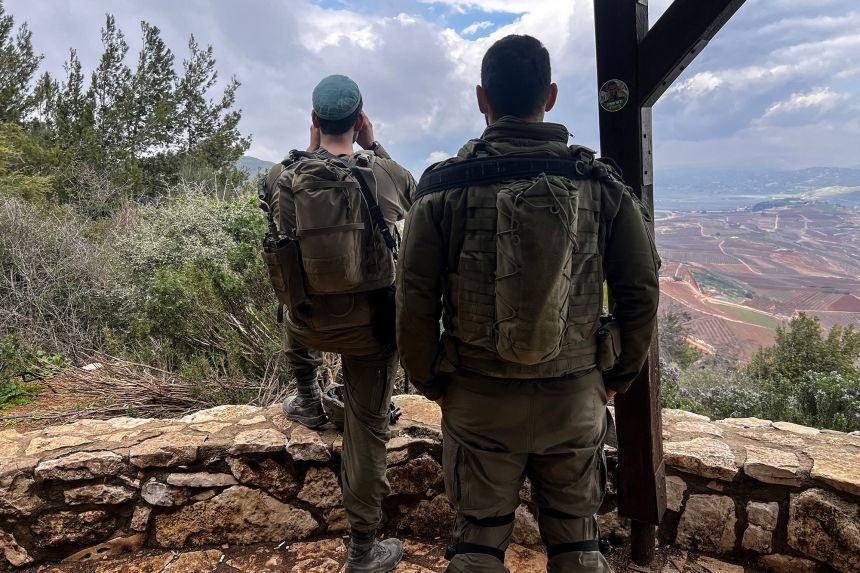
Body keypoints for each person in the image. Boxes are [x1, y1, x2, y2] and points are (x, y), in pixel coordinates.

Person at [396, 35, 659, 573]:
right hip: (575, 396)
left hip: (478, 396)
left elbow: (415, 301)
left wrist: (433, 383)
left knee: (477, 547)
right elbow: (640, 291)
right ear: (552, 95)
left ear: (481, 99)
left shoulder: (443, 188)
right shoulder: (601, 185)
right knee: (578, 549)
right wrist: (616, 377)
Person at [262, 74, 415, 572]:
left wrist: (309, 151)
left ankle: (307, 397)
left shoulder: (282, 177)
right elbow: (412, 194)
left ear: (314, 120)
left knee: (289, 290)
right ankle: (362, 551)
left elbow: (280, 231)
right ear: (359, 119)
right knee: (367, 430)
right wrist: (375, 145)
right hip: (369, 331)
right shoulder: (381, 175)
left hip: (307, 323)